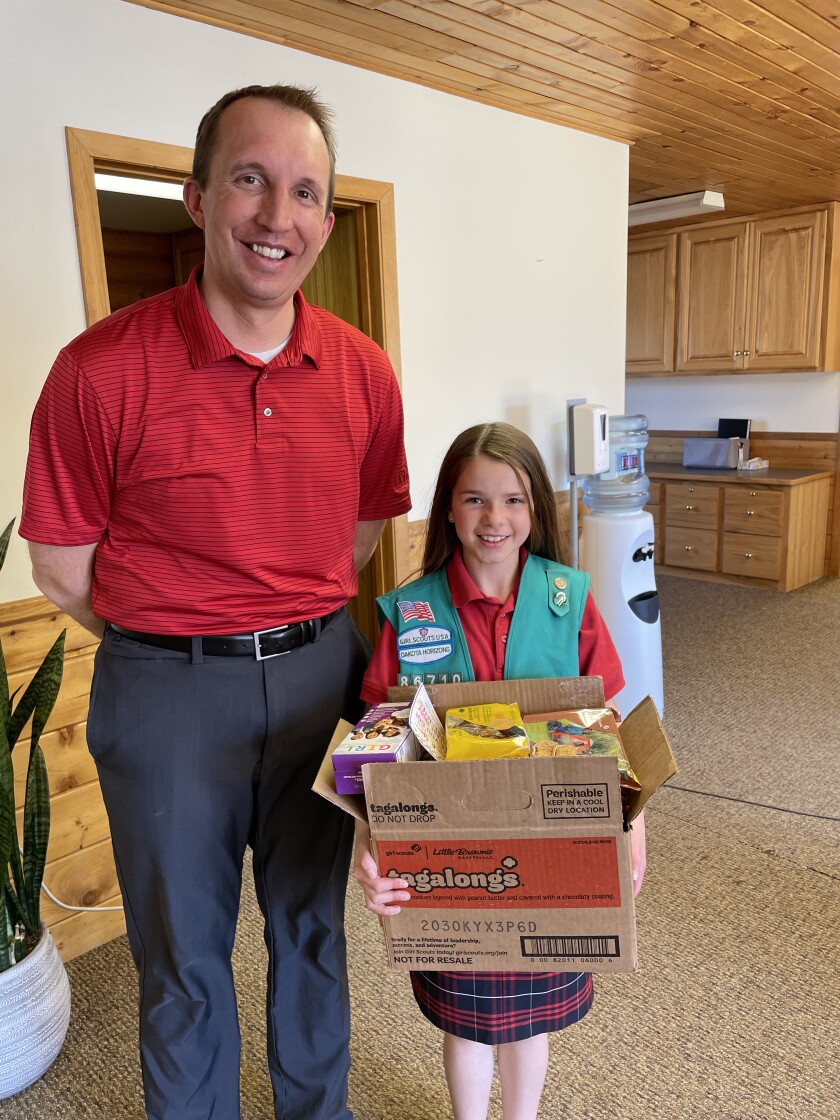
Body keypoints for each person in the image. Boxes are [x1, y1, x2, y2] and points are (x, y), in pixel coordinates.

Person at [20, 84, 410, 1120]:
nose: (277, 217)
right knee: (185, 959)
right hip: (165, 695)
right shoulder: (99, 371)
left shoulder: (367, 374)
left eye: (304, 193)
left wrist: (286, 623)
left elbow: (360, 536)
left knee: (313, 933)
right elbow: (60, 564)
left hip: (322, 676)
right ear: (195, 196)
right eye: (250, 179)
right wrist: (176, 631)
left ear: (328, 221)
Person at [353, 422, 646, 1120]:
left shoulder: (566, 599)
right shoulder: (412, 610)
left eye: (513, 500)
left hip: (552, 852)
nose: (495, 518)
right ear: (448, 508)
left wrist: (634, 825)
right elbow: (376, 741)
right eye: (475, 499)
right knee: (466, 1016)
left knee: (531, 1016)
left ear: (535, 509)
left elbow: (608, 725)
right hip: (455, 859)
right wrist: (369, 844)